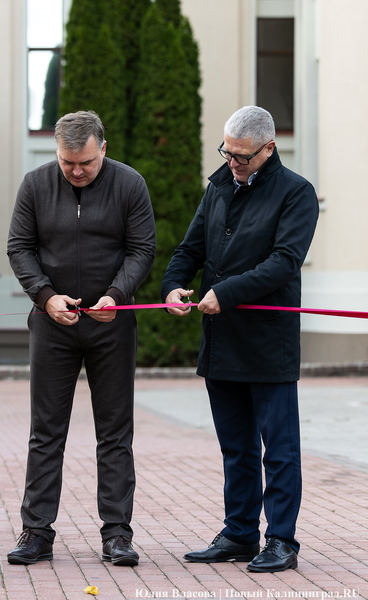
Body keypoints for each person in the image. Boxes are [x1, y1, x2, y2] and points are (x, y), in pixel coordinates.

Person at [162, 106, 319, 573]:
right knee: (237, 447)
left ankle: (282, 540)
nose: (232, 163)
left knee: (280, 450)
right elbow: (190, 248)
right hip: (222, 340)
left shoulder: (296, 193)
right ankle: (239, 533)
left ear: (269, 148)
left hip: (269, 343)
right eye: (227, 153)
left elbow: (284, 261)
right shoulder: (218, 186)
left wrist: (226, 293)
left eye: (242, 157)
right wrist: (172, 285)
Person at [6, 111, 156, 567]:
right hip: (51, 323)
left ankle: (117, 534)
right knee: (45, 432)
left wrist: (117, 294)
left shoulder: (130, 184)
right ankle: (36, 532)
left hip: (112, 325)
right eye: (67, 162)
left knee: (115, 432)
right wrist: (45, 296)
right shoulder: (35, 185)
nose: (76, 171)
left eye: (86, 162)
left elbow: (142, 249)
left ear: (103, 149)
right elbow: (19, 247)